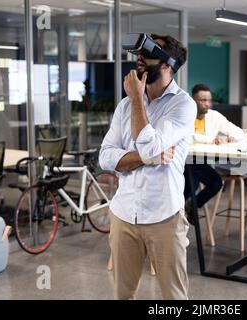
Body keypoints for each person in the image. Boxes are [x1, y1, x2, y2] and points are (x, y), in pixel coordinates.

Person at [99, 34, 196, 300]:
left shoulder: (184, 105)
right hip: (123, 214)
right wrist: (148, 157)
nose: (139, 59)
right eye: (138, 53)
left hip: (164, 216)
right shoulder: (124, 106)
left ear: (168, 64)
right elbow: (106, 158)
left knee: (173, 297)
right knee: (122, 294)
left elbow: (151, 147)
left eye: (149, 53)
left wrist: (137, 100)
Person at [184, 83, 245, 224]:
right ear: (193, 100)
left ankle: (191, 205)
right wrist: (211, 140)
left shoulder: (214, 116)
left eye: (209, 100)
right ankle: (180, 212)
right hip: (183, 161)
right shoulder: (185, 115)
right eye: (202, 100)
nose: (207, 104)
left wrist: (230, 137)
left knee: (216, 183)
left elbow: (239, 132)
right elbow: (189, 137)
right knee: (191, 183)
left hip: (200, 162)